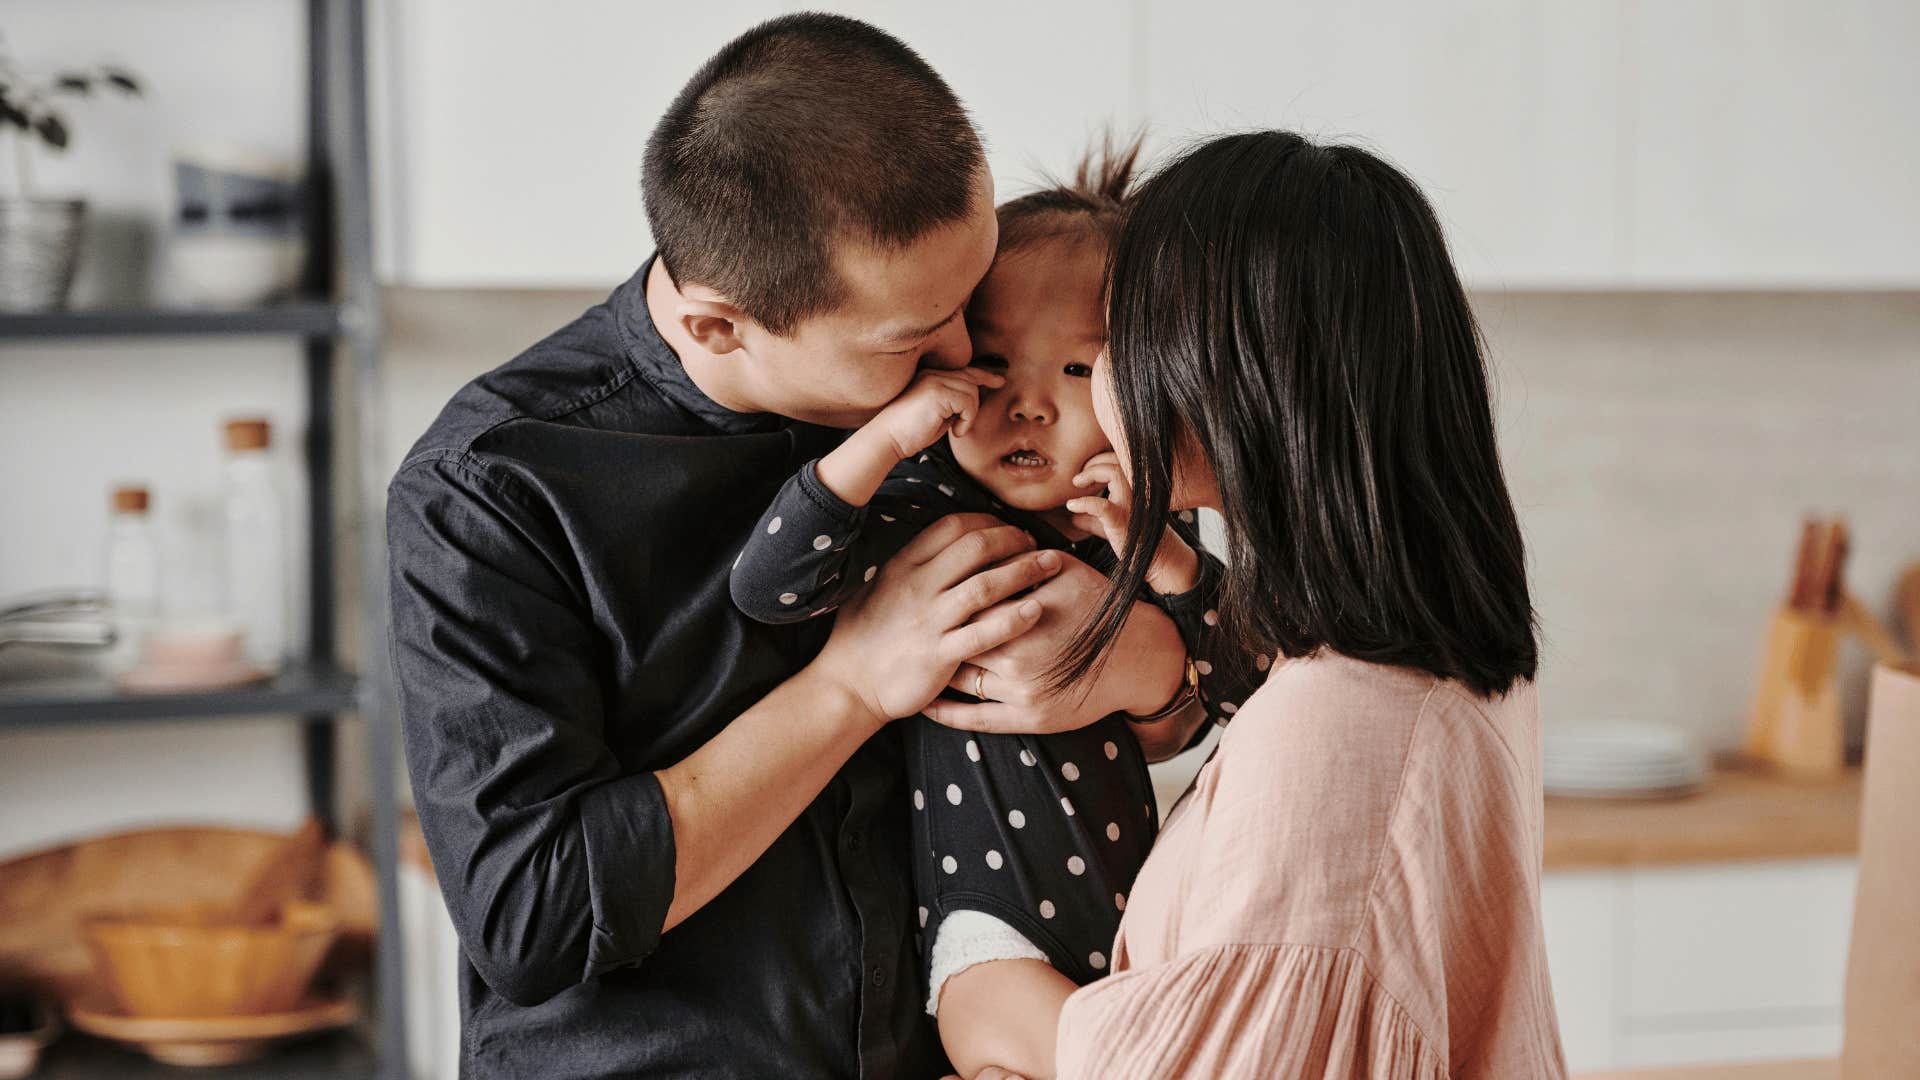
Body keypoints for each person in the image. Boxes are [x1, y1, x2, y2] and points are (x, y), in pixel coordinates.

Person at [385, 15, 1194, 1079]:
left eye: (971, 303)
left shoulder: (976, 404)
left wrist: (1146, 660)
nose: (965, 361)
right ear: (721, 325)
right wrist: (852, 684)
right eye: (915, 336)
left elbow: (1168, 696)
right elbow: (538, 916)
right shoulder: (488, 491)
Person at [943, 131, 1569, 1078]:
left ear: (1220, 378)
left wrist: (984, 992)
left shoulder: (1337, 729)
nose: (1104, 382)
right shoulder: (1413, 660)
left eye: (1114, 342)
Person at [729, 141, 1258, 1079]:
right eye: (995, 363)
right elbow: (769, 586)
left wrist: (1166, 556)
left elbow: (1237, 682)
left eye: (1075, 372)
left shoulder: (1137, 520)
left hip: (1143, 927)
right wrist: (883, 442)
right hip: (986, 931)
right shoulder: (919, 501)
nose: (1026, 405)